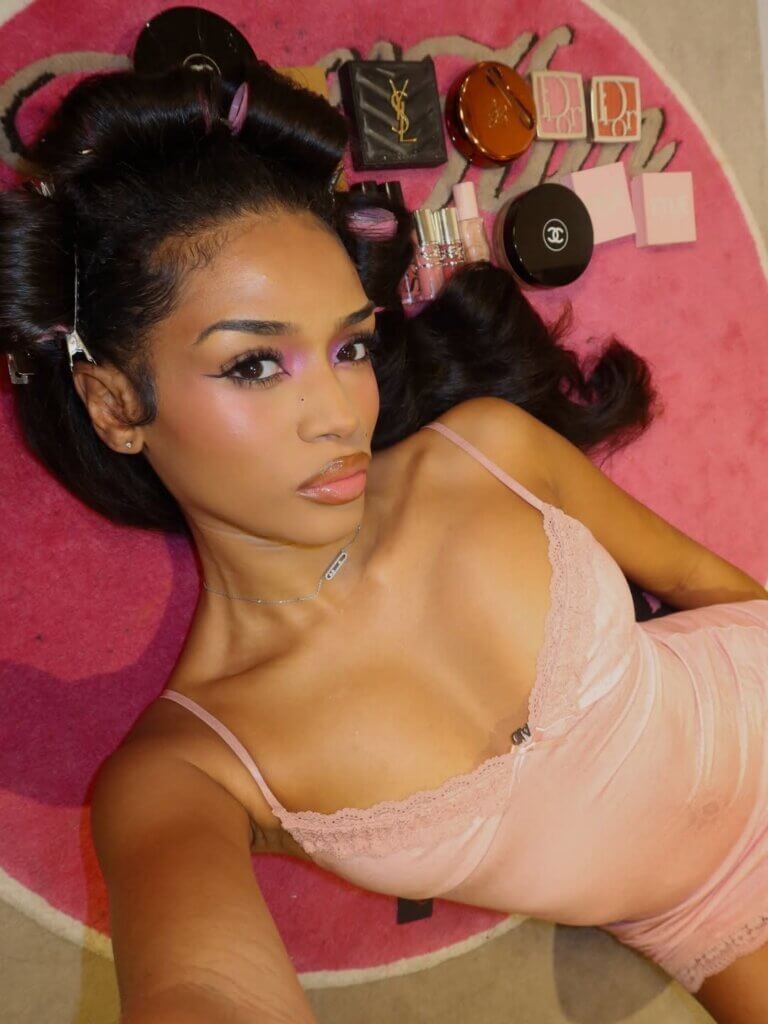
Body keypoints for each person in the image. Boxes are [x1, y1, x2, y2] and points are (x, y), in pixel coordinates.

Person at [1, 60, 766, 1024]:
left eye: (351, 347)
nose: (338, 413)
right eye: (255, 364)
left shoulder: (486, 451)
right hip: (713, 916)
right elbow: (203, 988)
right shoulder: (190, 769)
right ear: (116, 405)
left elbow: (699, 577)